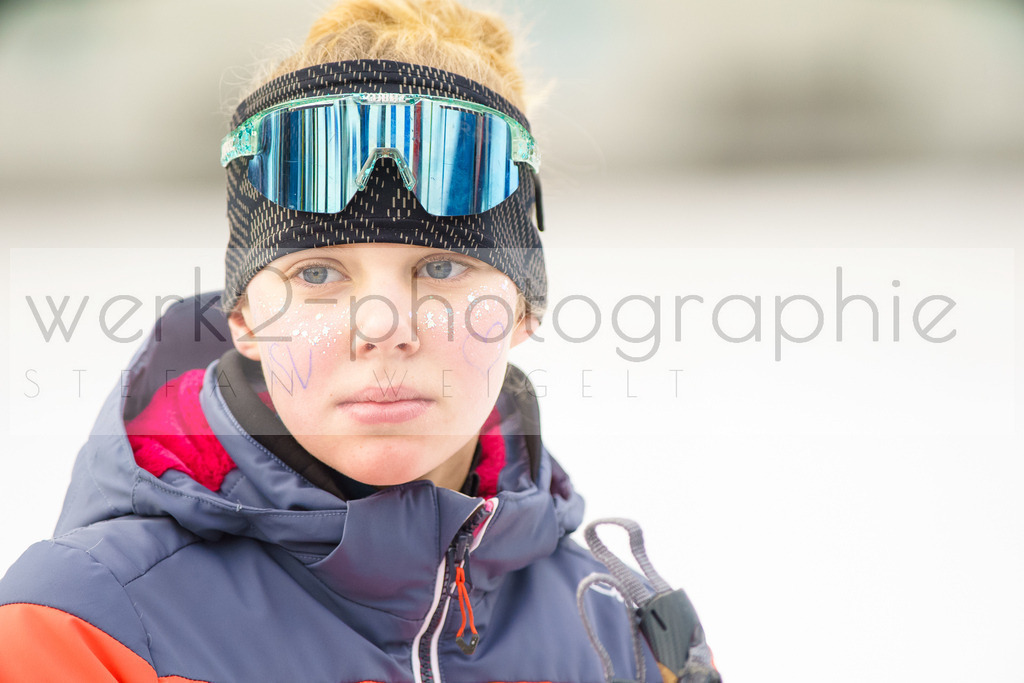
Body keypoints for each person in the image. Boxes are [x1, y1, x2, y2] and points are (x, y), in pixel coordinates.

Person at [0, 1, 719, 681]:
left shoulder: (617, 639)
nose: (383, 326)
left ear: (523, 309)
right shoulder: (83, 628)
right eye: (318, 273)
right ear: (244, 317)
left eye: (441, 268)